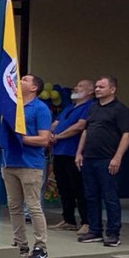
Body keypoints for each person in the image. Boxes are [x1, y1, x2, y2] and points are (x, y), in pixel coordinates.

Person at [0, 74, 54, 258]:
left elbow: (44, 139)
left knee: (32, 206)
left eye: (24, 80)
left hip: (30, 164)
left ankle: (41, 246)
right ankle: (20, 243)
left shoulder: (40, 108)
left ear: (34, 88)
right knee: (14, 206)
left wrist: (20, 140)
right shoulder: (13, 107)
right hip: (9, 163)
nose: (19, 81)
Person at [76, 76, 129, 248]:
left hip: (107, 159)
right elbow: (86, 132)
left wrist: (117, 157)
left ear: (113, 89)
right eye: (96, 87)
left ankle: (113, 233)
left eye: (102, 87)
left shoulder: (121, 110)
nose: (97, 89)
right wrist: (79, 153)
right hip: (89, 158)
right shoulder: (93, 108)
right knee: (90, 195)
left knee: (110, 197)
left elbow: (127, 134)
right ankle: (94, 230)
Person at [50, 80, 93, 233]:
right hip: (59, 152)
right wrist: (49, 134)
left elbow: (80, 126)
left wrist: (59, 136)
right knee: (63, 188)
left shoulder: (89, 107)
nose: (76, 87)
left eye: (80, 86)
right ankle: (68, 220)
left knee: (79, 188)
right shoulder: (68, 108)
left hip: (73, 153)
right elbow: (55, 123)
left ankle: (86, 222)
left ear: (89, 91)